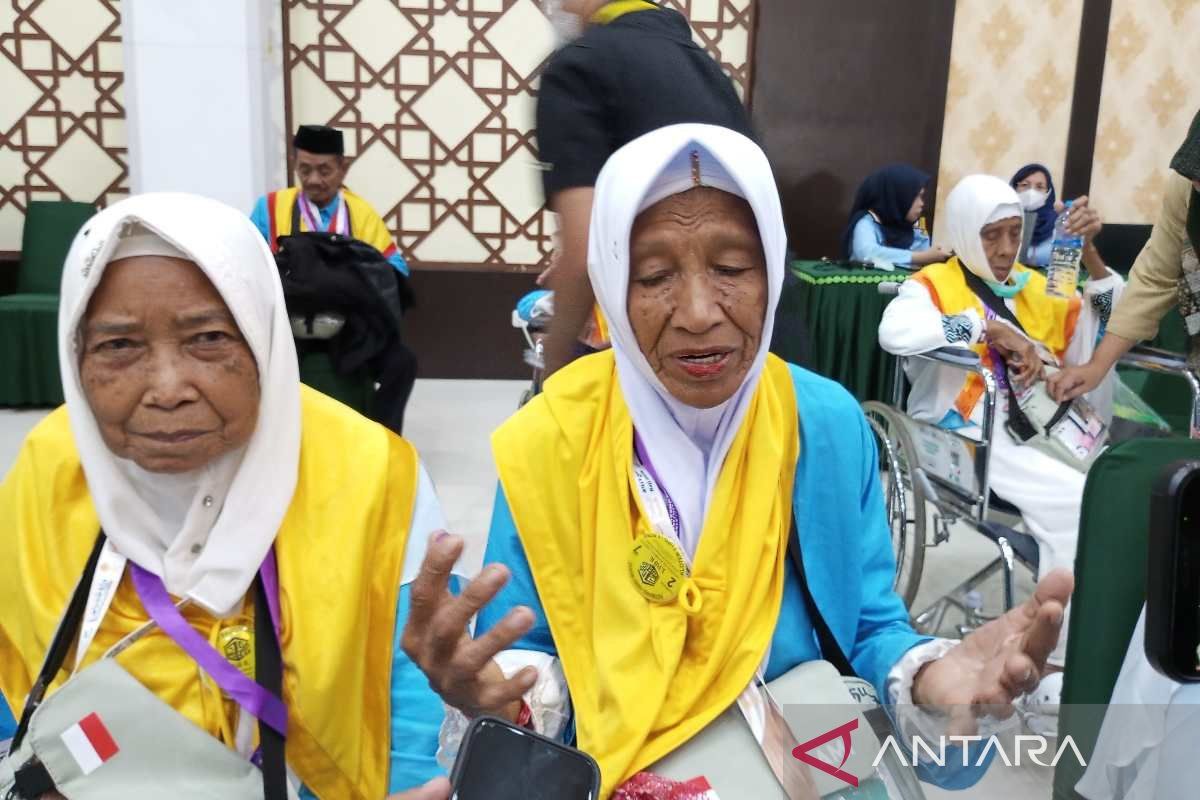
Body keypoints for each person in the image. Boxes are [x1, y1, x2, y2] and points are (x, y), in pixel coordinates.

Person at [400, 125, 1073, 798]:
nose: (698, 313)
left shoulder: (823, 424)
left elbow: (867, 626)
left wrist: (933, 683)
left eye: (731, 268)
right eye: (655, 275)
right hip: (614, 754)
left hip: (806, 739)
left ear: (774, 269)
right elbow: (524, 653)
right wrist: (502, 698)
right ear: (608, 281)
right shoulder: (551, 438)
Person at [0, 193, 456, 799]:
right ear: (74, 355)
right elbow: (15, 678)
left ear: (264, 338)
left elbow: (411, 687)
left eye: (209, 338)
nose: (167, 389)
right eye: (119, 346)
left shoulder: (371, 471)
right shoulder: (52, 465)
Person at [877, 174, 1121, 730]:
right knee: (1082, 500)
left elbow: (1101, 333)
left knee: (1116, 485)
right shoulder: (934, 284)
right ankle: (1056, 657)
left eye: (1015, 233)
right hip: (963, 432)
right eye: (991, 236)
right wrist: (988, 328)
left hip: (1037, 431)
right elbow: (896, 331)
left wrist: (1093, 260)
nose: (1006, 249)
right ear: (965, 232)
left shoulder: (1037, 288)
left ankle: (1096, 638)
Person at [536, 0, 755, 377]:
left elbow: (584, 250)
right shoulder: (705, 68)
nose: (549, 7)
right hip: (755, 358)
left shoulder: (578, 67)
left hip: (664, 360)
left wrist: (553, 369)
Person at [1050, 110, 1200, 406]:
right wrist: (1097, 366)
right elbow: (1154, 278)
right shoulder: (1185, 188)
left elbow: (1109, 292)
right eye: (1196, 177)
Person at [250, 124, 409, 276]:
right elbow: (244, 258)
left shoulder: (362, 214)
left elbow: (397, 269)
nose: (314, 180)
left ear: (343, 169)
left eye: (324, 171)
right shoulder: (269, 207)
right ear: (294, 164)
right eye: (305, 170)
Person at [843, 164, 951, 268]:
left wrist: (938, 254)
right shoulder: (867, 222)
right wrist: (921, 257)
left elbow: (925, 253)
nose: (921, 203)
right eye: (915, 197)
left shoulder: (911, 226)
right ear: (897, 197)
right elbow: (866, 253)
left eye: (922, 197)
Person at [1010, 163, 1059, 267]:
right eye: (1024, 185)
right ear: (1014, 188)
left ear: (1048, 192)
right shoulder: (1001, 219)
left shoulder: (1059, 224)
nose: (1031, 191)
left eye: (1040, 187)